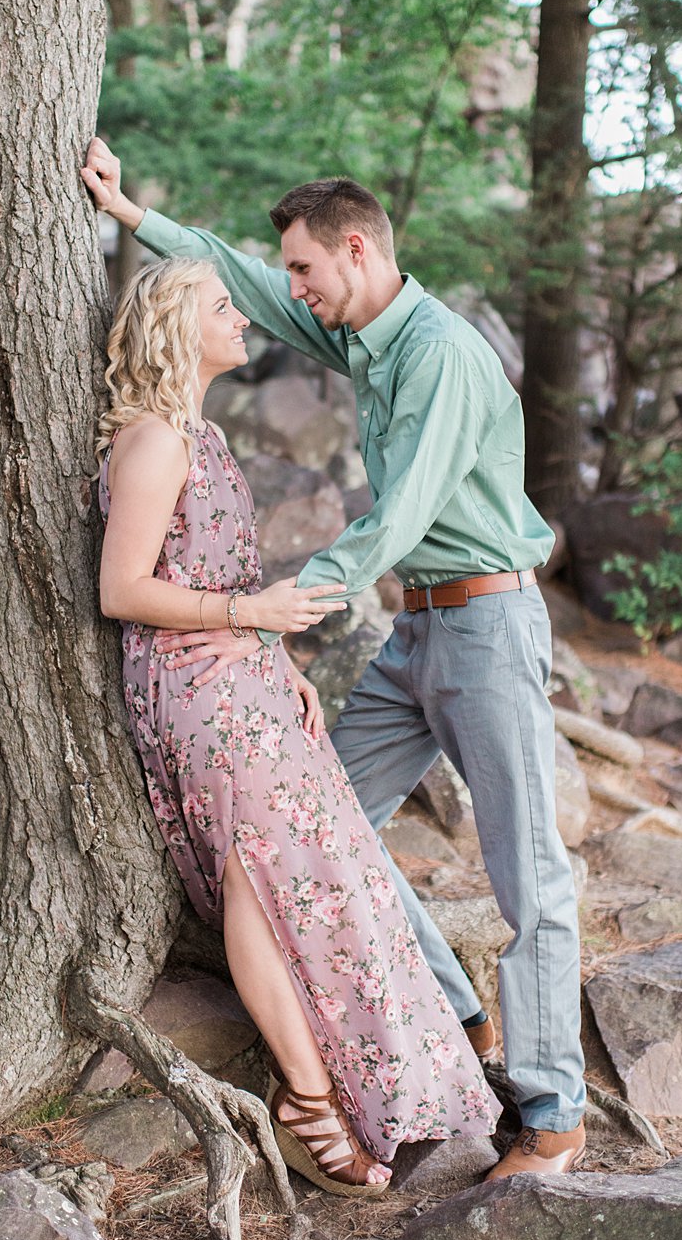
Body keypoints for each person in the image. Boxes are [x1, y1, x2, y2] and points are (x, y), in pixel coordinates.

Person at [83, 139, 588, 1180]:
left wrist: (271, 621)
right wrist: (135, 216)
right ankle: (455, 1017)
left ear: (354, 250)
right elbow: (246, 288)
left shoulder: (440, 352)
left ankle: (551, 1112)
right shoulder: (360, 330)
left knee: (528, 872)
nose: (291, 293)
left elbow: (400, 517)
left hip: (487, 630)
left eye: (307, 270)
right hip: (416, 633)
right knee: (327, 819)